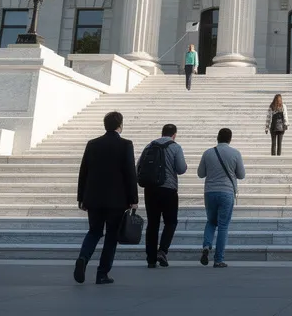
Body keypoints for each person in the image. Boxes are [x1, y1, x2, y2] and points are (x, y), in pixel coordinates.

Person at [74, 111, 138, 285]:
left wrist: (81, 197)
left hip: (93, 198)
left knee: (94, 231)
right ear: (120, 125)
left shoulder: (92, 144)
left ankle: (83, 258)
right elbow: (130, 173)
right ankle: (102, 273)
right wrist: (134, 198)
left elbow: (83, 172)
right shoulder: (126, 145)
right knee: (111, 236)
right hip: (117, 201)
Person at [140, 123, 187, 269]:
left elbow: (138, 167)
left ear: (162, 133)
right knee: (171, 222)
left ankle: (151, 259)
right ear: (174, 135)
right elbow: (181, 169)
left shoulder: (149, 146)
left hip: (150, 189)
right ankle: (163, 250)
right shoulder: (175, 147)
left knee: (152, 224)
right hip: (168, 189)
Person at [197, 128, 245, 268]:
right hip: (226, 192)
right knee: (223, 226)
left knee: (211, 221)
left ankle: (206, 246)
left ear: (217, 138)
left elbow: (201, 173)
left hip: (210, 192)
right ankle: (218, 259)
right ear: (230, 139)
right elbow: (241, 175)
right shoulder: (235, 153)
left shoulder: (208, 153)